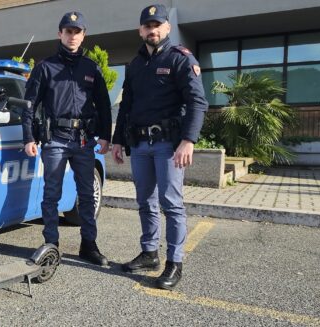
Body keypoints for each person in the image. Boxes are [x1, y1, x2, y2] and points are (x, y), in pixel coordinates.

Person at [111, 4, 208, 289]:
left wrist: (188, 140)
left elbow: (197, 102)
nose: (152, 30)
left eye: (157, 25)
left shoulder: (180, 59)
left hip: (168, 145)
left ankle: (174, 262)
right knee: (145, 202)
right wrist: (117, 141)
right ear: (140, 30)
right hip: (140, 144)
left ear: (166, 27)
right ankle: (150, 253)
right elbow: (126, 105)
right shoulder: (135, 65)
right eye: (147, 25)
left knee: (171, 204)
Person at [22, 11, 112, 266]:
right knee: (52, 194)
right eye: (68, 31)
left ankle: (89, 245)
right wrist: (28, 137)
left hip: (84, 141)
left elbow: (104, 105)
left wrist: (105, 136)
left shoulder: (91, 68)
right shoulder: (45, 67)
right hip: (56, 140)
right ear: (60, 34)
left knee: (87, 194)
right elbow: (29, 105)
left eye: (77, 31)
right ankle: (51, 244)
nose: (72, 36)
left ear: (83, 36)